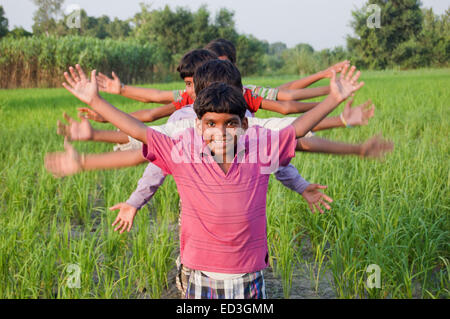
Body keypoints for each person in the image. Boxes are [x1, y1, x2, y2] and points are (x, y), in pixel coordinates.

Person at [48, 62, 388, 299]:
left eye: (230, 123)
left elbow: (299, 130)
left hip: (249, 271)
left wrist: (336, 102)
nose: (221, 132)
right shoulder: (182, 150)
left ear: (244, 122)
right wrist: (94, 106)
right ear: (198, 124)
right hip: (200, 271)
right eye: (211, 123)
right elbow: (139, 133)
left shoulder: (260, 146)